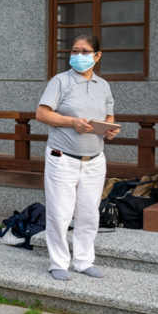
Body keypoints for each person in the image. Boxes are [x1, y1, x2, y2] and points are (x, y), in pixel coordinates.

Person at [35, 33, 119, 281]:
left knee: (89, 213)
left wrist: (110, 128)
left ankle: (83, 261)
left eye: (84, 51)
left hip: (94, 159)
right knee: (60, 213)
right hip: (63, 157)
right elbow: (41, 114)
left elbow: (109, 116)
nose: (78, 55)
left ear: (97, 55)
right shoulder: (60, 81)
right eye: (74, 51)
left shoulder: (103, 85)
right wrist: (72, 122)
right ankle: (58, 263)